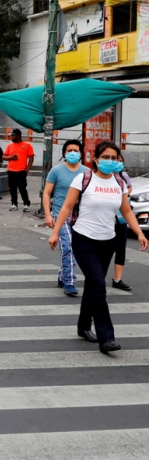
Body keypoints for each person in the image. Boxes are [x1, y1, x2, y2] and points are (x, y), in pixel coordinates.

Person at [49, 141, 148, 354]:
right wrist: (56, 232)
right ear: (95, 159)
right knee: (98, 285)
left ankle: (83, 326)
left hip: (108, 241)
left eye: (115, 158)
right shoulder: (84, 179)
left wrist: (139, 233)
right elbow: (66, 206)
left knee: (94, 286)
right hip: (84, 239)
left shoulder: (119, 182)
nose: (110, 161)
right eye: (106, 157)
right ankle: (107, 338)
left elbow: (127, 211)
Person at [43, 139, 89, 297]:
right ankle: (69, 281)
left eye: (76, 150)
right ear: (64, 153)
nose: (73, 153)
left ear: (81, 154)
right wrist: (48, 215)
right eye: (69, 150)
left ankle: (63, 275)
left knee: (74, 248)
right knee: (68, 247)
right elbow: (47, 193)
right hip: (60, 215)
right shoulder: (56, 171)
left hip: (80, 216)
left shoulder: (86, 172)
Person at [111, 153, 133, 291]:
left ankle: (117, 279)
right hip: (105, 219)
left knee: (121, 249)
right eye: (115, 160)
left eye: (120, 160)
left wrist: (124, 193)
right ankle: (97, 277)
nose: (117, 163)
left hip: (121, 218)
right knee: (103, 249)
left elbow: (129, 187)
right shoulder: (101, 177)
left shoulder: (123, 177)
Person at [4, 128, 35, 212]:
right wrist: (10, 157)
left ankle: (26, 204)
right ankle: (14, 204)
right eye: (10, 136)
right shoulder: (9, 146)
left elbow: (31, 158)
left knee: (22, 188)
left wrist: (27, 169)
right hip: (11, 170)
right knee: (12, 188)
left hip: (21, 171)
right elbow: (3, 156)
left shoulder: (27, 145)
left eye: (13, 135)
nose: (11, 137)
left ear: (18, 136)